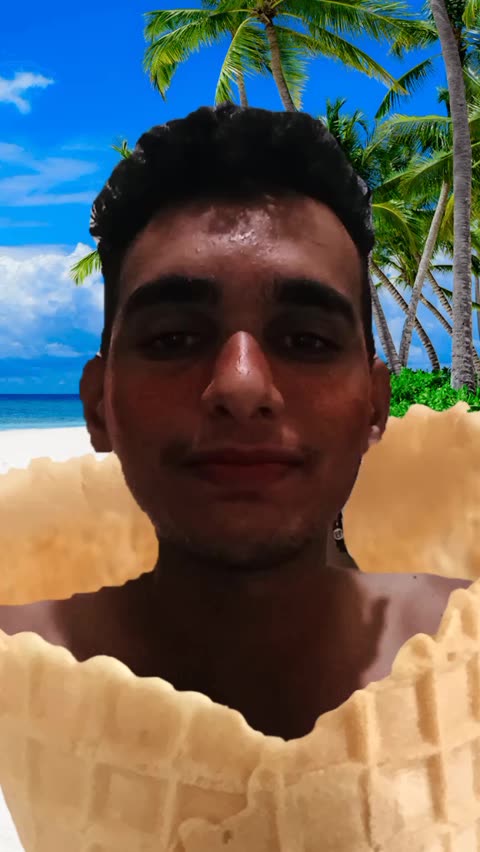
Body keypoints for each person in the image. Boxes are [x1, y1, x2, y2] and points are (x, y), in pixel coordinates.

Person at [0, 104, 470, 741]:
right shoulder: (12, 671)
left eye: (306, 341)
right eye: (173, 339)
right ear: (98, 405)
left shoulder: (467, 651)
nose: (242, 387)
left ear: (375, 406)